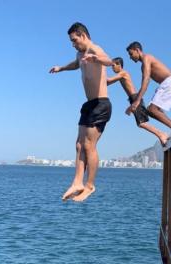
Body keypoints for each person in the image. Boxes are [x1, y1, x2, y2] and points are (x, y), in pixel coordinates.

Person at [49, 22, 113, 202]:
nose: (73, 44)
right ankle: (77, 182)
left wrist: (96, 59)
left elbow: (110, 61)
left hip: (101, 104)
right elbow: (76, 64)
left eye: (74, 40)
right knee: (79, 145)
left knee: (89, 146)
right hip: (89, 105)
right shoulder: (80, 54)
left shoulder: (94, 49)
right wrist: (61, 68)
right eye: (71, 41)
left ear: (83, 35)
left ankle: (90, 185)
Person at [107, 57, 170, 145]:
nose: (112, 68)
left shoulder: (123, 73)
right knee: (141, 122)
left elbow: (108, 80)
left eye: (113, 65)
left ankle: (161, 134)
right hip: (133, 99)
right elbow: (108, 83)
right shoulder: (121, 75)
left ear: (119, 65)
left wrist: (99, 72)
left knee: (141, 123)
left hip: (135, 98)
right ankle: (161, 134)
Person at [126, 41, 171, 133]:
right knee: (153, 110)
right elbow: (144, 82)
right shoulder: (143, 65)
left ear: (137, 50)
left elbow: (146, 80)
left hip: (169, 82)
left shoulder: (147, 58)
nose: (130, 57)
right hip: (168, 83)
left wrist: (137, 101)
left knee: (152, 109)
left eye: (131, 54)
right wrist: (136, 101)